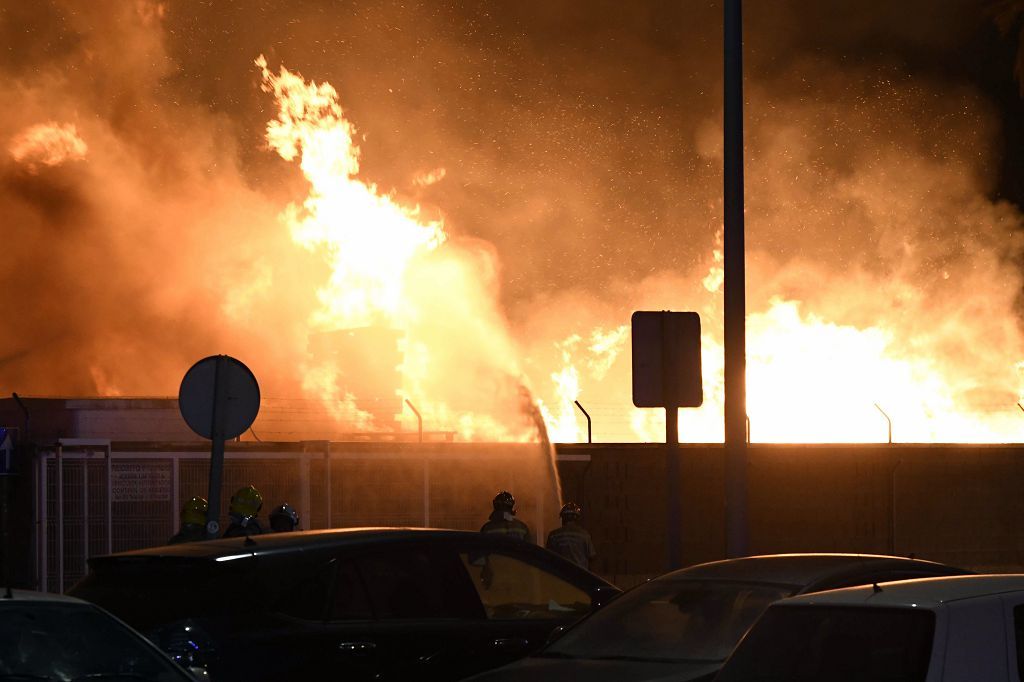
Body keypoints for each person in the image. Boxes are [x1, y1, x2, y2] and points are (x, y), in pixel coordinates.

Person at [545, 502, 596, 570]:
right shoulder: (585, 535)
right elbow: (592, 558)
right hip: (580, 576)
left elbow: (548, 558)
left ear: (563, 518)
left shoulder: (553, 535)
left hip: (560, 576)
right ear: (577, 518)